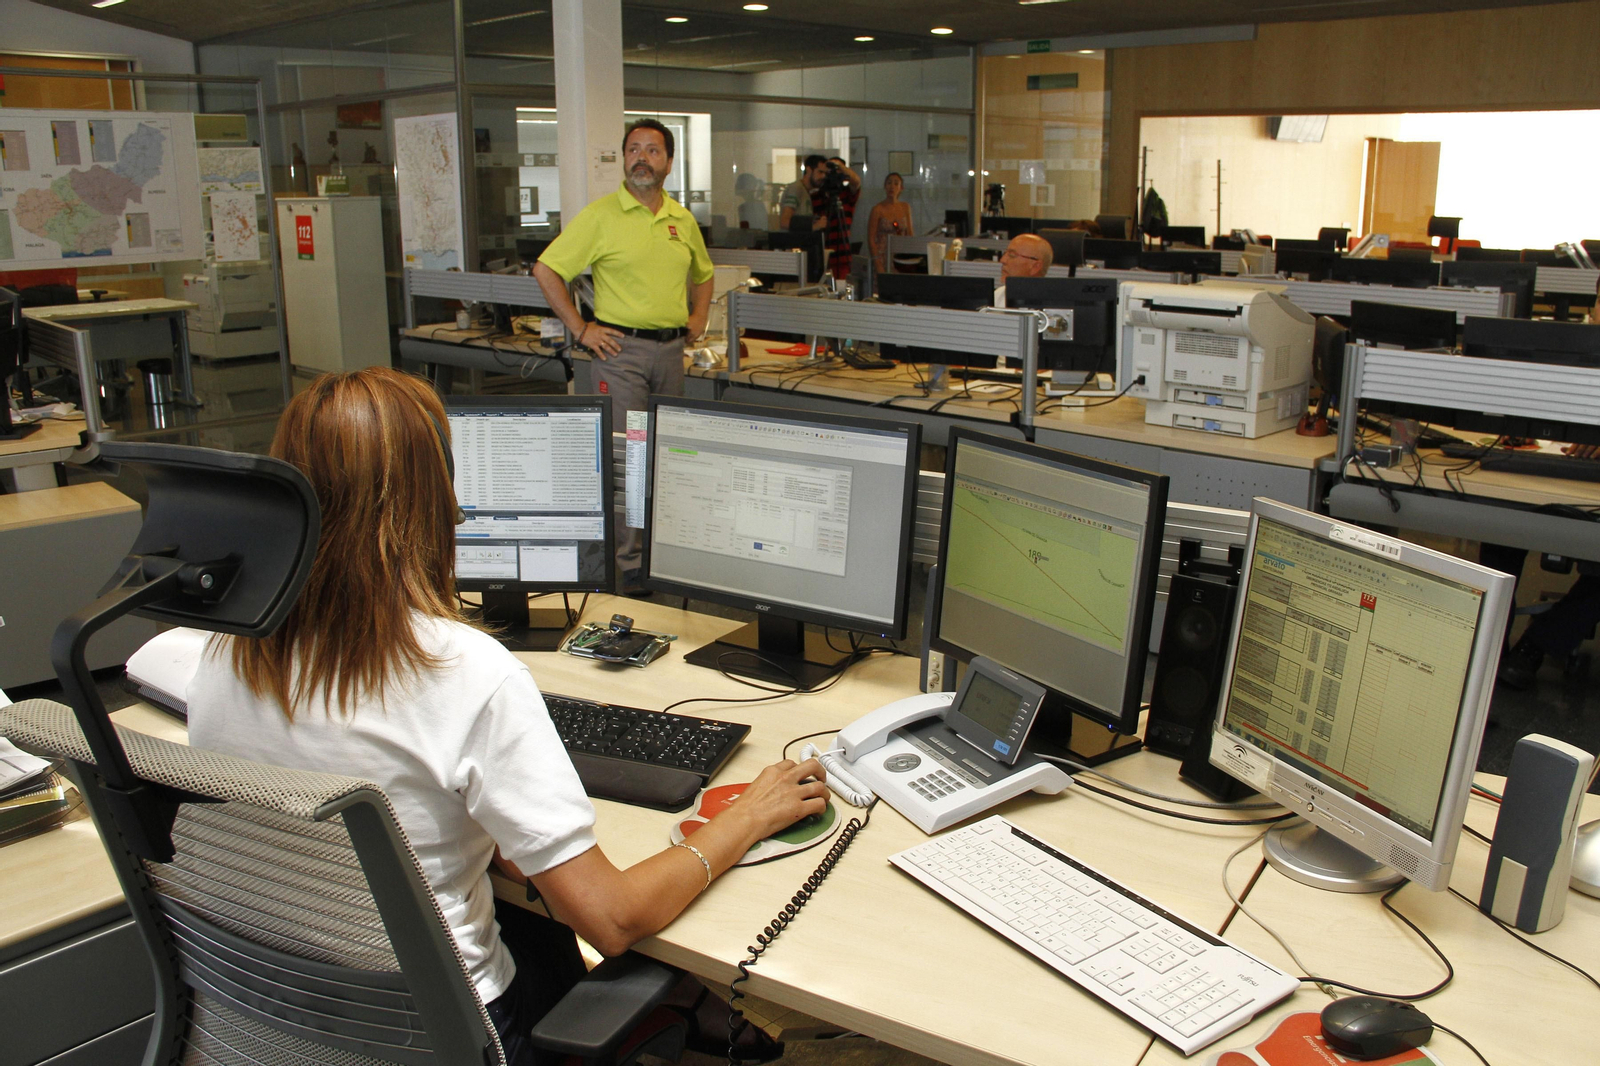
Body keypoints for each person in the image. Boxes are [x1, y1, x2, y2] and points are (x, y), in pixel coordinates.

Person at [187, 367, 820, 1064]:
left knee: (537, 919)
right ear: (436, 496)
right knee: (593, 937)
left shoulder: (229, 650)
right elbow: (613, 919)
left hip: (279, 1013)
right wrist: (747, 817)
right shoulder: (463, 672)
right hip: (452, 1035)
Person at [533, 119, 713, 591]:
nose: (641, 158)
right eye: (633, 149)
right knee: (631, 457)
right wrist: (581, 328)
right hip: (622, 355)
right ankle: (629, 566)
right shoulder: (601, 216)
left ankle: (662, 554)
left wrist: (699, 316)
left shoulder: (681, 219)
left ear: (669, 163)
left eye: (652, 151)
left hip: (671, 352)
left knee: (668, 453)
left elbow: (704, 272)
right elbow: (546, 269)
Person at [778, 154, 861, 280]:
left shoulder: (847, 195)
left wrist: (838, 165)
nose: (826, 175)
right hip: (819, 257)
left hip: (841, 258)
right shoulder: (814, 196)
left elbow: (856, 182)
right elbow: (788, 222)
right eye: (824, 172)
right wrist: (814, 225)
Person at [867, 172, 913, 275]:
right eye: (889, 183)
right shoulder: (877, 209)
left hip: (901, 256)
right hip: (882, 254)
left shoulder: (905, 207)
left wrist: (911, 257)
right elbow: (871, 239)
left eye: (896, 183)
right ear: (885, 186)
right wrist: (877, 262)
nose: (892, 186)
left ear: (901, 188)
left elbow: (910, 234)